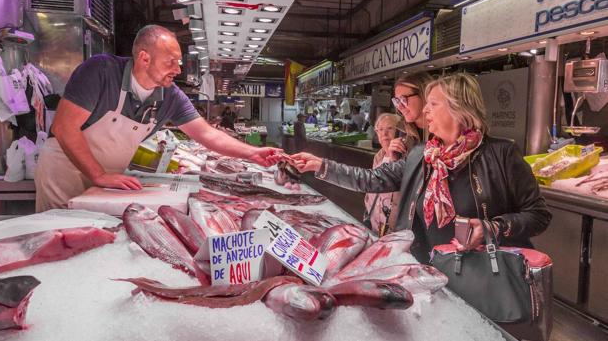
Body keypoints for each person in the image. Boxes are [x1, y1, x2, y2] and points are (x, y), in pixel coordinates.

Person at [291, 73, 551, 264]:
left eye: (433, 104)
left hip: (481, 273)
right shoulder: (422, 155)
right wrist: (320, 165)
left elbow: (538, 215)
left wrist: (494, 228)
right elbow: (372, 179)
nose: (425, 110)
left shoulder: (502, 154)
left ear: (459, 108)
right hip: (427, 267)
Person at [34, 25, 282, 212]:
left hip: (110, 179)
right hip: (65, 170)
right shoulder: (101, 71)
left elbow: (206, 134)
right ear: (144, 58)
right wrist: (98, 174)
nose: (178, 69)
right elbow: (64, 128)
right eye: (171, 61)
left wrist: (251, 154)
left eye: (179, 62)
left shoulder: (170, 96)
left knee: (96, 239)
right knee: (59, 236)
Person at [364, 113, 411, 235]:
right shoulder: (378, 156)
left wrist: (392, 157)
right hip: (376, 225)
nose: (384, 134)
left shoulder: (407, 156)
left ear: (400, 132)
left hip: (396, 230)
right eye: (380, 130)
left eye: (389, 129)